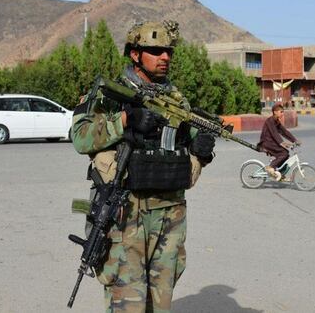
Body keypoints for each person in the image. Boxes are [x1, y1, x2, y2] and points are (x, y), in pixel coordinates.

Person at [71, 20, 216, 312]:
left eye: (169, 51)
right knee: (128, 303)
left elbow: (190, 144)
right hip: (126, 213)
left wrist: (201, 151)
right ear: (135, 54)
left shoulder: (176, 100)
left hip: (169, 213)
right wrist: (124, 121)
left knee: (160, 302)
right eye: (157, 51)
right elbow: (80, 137)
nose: (166, 57)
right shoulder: (111, 93)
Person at [258, 104, 301, 181]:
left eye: (283, 112)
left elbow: (284, 132)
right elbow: (275, 134)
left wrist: (295, 140)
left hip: (272, 142)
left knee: (286, 154)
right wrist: (282, 143)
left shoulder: (276, 121)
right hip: (266, 142)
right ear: (275, 112)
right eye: (281, 112)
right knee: (284, 153)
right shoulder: (270, 121)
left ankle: (279, 174)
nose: (282, 114)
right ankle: (270, 167)